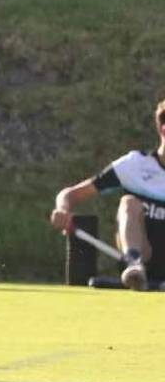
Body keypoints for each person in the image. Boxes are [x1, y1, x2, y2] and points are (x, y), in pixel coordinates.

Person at [49, 98, 165, 290]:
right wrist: (62, 210)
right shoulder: (134, 165)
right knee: (129, 202)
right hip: (145, 258)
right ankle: (134, 264)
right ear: (163, 130)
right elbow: (70, 194)